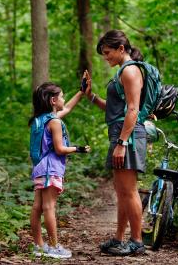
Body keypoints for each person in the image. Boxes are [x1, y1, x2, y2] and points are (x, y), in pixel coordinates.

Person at [83, 30, 147, 256]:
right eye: (103, 54)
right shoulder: (122, 72)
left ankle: (137, 241)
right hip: (120, 133)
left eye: (108, 52)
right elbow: (115, 110)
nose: (105, 57)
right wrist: (90, 96)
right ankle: (119, 238)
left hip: (126, 136)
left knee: (129, 191)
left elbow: (133, 109)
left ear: (121, 48)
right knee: (121, 192)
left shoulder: (130, 71)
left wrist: (122, 143)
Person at [29, 82, 90, 259]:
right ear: (54, 100)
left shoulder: (40, 120)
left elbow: (68, 107)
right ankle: (54, 247)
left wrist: (81, 92)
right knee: (49, 207)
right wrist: (78, 149)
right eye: (62, 96)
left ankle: (39, 245)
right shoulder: (54, 122)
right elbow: (59, 149)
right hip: (50, 168)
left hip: (39, 167)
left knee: (37, 207)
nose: (64, 99)